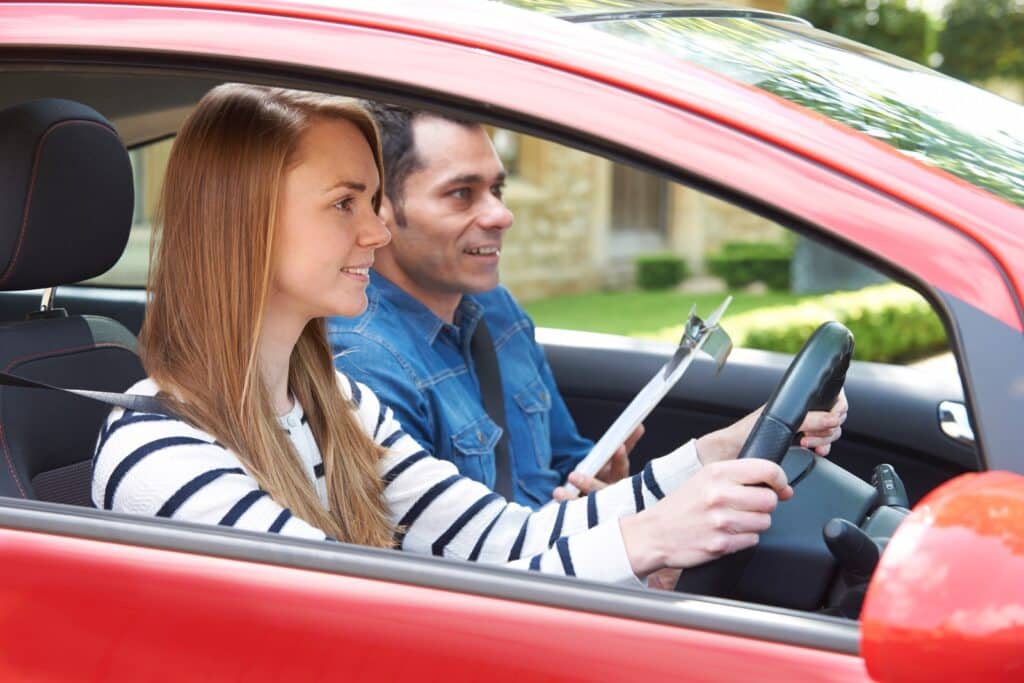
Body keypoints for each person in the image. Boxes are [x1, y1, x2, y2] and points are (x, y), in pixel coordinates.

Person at [93, 84, 846, 588]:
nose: (378, 229)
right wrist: (645, 541)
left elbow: (505, 542)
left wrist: (709, 458)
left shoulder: (335, 406)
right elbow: (359, 625)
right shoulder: (160, 452)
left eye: (377, 200)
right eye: (345, 203)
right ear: (245, 223)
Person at [327, 104, 841, 509]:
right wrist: (710, 457)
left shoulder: (496, 310)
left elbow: (564, 460)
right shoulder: (364, 362)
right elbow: (467, 560)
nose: (502, 215)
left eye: (498, 189)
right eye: (462, 194)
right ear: (381, 212)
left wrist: (604, 484)